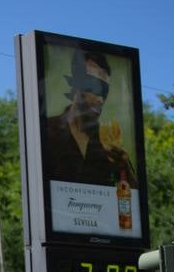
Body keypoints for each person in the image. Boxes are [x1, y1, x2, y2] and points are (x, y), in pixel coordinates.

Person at [45, 48, 137, 187]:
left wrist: (124, 167)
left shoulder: (108, 141)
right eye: (94, 87)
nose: (100, 99)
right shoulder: (47, 130)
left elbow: (134, 199)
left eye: (104, 91)